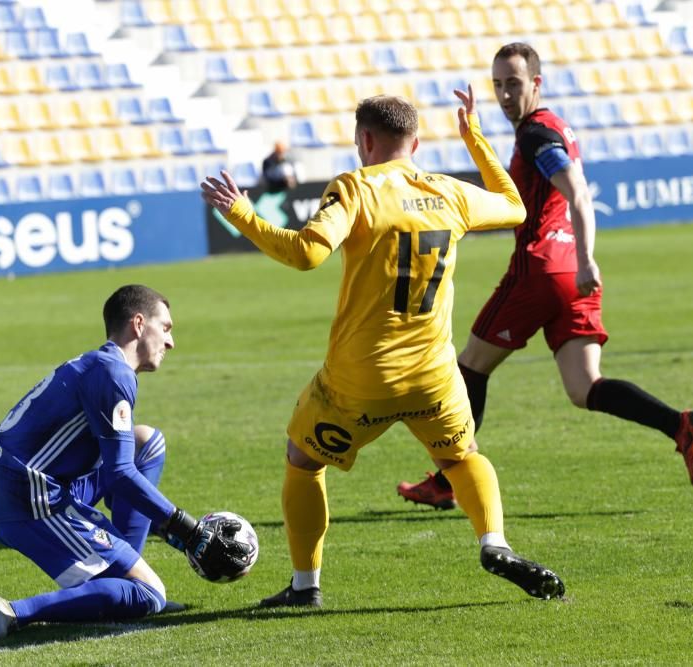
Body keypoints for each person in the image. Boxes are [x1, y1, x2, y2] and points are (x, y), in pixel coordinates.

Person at [201, 89, 565, 607]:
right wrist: (475, 139)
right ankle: (494, 542)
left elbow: (307, 253)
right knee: (461, 457)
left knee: (302, 460)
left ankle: (305, 586)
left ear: (364, 140)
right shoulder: (447, 191)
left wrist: (241, 212)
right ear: (415, 142)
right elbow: (514, 206)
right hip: (435, 375)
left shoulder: (355, 188)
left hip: (360, 381)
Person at [396, 42, 693, 512]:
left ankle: (448, 480)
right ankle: (678, 424)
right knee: (584, 387)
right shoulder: (554, 127)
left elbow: (579, 193)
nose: (504, 94)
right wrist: (581, 261)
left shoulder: (535, 136)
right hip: (569, 275)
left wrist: (588, 258)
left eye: (514, 83)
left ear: (536, 84)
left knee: (471, 367)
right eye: (498, 84)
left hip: (541, 270)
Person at [0, 285, 253, 640]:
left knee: (147, 442)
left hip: (11, 477)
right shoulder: (114, 374)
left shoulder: (100, 364)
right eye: (165, 328)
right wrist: (188, 529)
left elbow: (121, 461)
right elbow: (119, 475)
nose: (171, 343)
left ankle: (125, 574)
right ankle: (13, 613)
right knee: (150, 594)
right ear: (138, 324)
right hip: (25, 493)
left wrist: (175, 531)